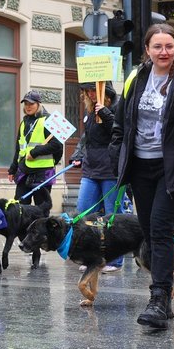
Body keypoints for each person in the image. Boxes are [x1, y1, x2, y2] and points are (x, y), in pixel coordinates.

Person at [110, 23, 174, 329]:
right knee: (150, 230)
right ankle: (163, 299)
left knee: (158, 227)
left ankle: (159, 298)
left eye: (169, 46)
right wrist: (118, 155)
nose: (163, 52)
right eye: (157, 46)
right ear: (148, 50)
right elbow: (122, 118)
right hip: (140, 166)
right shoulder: (136, 76)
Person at [72, 81, 123, 273]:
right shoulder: (90, 111)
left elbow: (120, 132)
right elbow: (86, 138)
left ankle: (115, 261)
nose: (90, 94)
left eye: (93, 89)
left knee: (112, 216)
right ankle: (90, 257)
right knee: (84, 211)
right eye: (87, 91)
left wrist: (106, 115)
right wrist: (78, 154)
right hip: (91, 168)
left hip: (110, 168)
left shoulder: (116, 107)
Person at [8, 90, 63, 208]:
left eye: (31, 104)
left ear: (39, 104)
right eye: (26, 104)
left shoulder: (49, 119)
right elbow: (19, 148)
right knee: (19, 208)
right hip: (24, 170)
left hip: (42, 173)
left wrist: (35, 152)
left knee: (41, 209)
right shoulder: (24, 122)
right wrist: (12, 169)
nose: (28, 107)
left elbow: (57, 145)